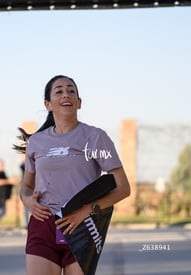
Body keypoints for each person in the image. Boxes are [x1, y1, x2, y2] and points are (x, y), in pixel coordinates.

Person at [16, 75, 131, 275]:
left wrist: (87, 210)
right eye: (58, 91)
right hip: (43, 224)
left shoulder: (95, 137)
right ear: (48, 104)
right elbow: (26, 186)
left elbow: (123, 188)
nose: (66, 94)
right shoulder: (36, 142)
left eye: (71, 91)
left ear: (79, 102)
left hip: (81, 225)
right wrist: (27, 200)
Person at [0, 159, 18, 234]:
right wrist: (9, 181)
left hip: (2, 196)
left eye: (3, 165)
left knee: (3, 211)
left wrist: (13, 182)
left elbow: (7, 182)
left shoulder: (3, 173)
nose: (2, 166)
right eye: (1, 165)